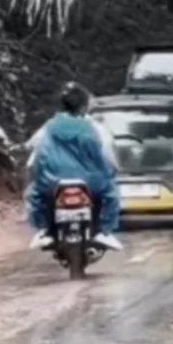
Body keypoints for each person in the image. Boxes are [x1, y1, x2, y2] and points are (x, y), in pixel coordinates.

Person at [24, 81, 122, 251]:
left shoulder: (49, 126)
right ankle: (105, 231)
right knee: (112, 194)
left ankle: (42, 230)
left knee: (33, 194)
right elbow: (107, 153)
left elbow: (32, 146)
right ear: (85, 106)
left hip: (51, 181)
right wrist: (115, 168)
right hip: (91, 182)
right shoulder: (95, 127)